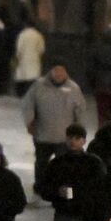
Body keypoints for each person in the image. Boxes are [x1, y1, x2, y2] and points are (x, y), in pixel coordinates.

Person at [23, 60, 88, 197]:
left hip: (64, 138)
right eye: (56, 70)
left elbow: (80, 111)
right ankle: (40, 188)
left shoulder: (73, 89)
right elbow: (28, 104)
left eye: (62, 70)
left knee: (63, 166)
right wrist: (29, 122)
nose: (59, 74)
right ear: (51, 71)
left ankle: (60, 189)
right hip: (42, 135)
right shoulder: (39, 86)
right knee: (41, 164)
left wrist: (79, 131)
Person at [13, 20, 45, 98]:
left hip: (23, 58)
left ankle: (21, 94)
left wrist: (17, 57)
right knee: (33, 76)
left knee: (22, 76)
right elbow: (42, 49)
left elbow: (19, 48)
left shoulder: (22, 35)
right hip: (35, 58)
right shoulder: (38, 35)